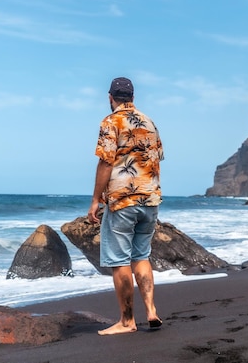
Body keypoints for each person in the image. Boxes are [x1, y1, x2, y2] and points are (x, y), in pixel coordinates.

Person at [87, 77, 164, 335]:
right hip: (150, 200)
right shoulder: (149, 122)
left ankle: (127, 321)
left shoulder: (110, 122)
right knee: (141, 256)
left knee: (120, 261)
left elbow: (106, 162)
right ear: (132, 97)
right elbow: (157, 157)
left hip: (123, 201)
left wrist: (96, 200)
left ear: (110, 97)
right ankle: (151, 311)